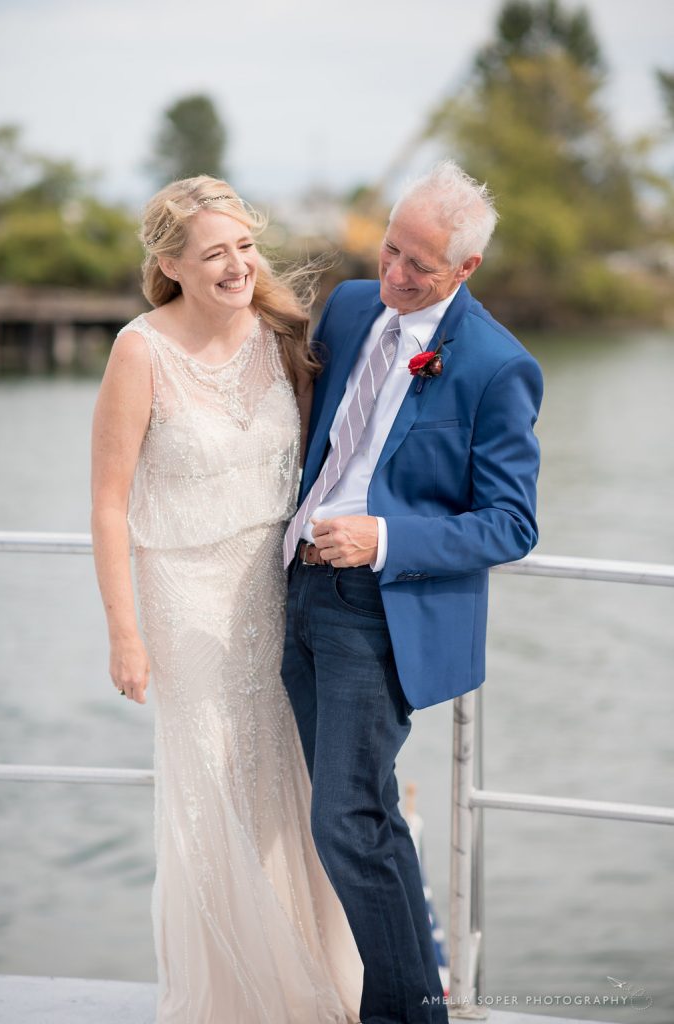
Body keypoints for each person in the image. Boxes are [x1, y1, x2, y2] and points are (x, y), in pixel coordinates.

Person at [91, 176, 362, 1024]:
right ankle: (230, 1001)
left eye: (245, 246)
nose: (239, 265)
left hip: (278, 592)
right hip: (185, 602)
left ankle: (306, 987)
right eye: (215, 253)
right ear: (170, 264)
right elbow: (108, 500)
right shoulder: (141, 350)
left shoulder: (280, 333)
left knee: (287, 787)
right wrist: (124, 634)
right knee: (213, 797)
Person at [282, 160, 543, 1024]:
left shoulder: (500, 367)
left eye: (418, 266)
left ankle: (409, 1014)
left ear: (465, 270)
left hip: (379, 609)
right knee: (362, 816)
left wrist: (384, 537)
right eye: (389, 249)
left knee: (347, 824)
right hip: (295, 589)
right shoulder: (353, 305)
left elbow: (511, 523)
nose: (394, 275)